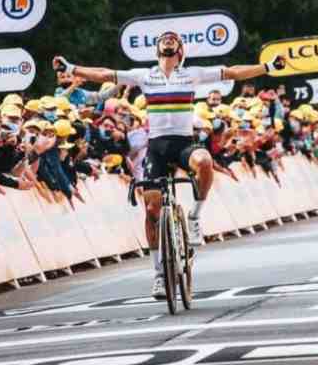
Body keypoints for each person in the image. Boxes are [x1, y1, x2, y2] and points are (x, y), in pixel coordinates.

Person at [53, 30, 286, 298]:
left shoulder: (192, 74)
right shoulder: (144, 76)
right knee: (151, 209)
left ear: (180, 51)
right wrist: (71, 68)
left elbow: (233, 72)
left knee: (205, 161)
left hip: (183, 144)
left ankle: (195, 215)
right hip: (157, 148)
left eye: (173, 38)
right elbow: (105, 74)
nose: (168, 39)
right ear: (157, 49)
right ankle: (159, 274)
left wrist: (266, 67)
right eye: (164, 38)